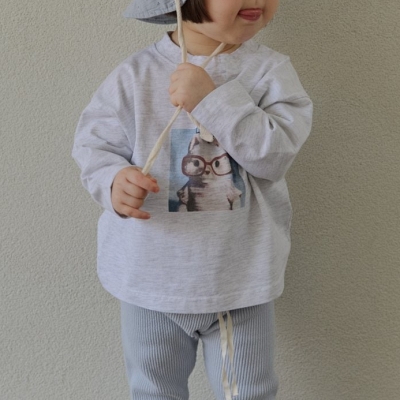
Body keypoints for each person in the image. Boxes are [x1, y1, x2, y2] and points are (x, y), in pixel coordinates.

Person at [72, 0, 313, 399]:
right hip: (149, 282)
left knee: (248, 392)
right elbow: (94, 146)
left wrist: (211, 101)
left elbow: (274, 156)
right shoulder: (134, 75)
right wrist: (114, 181)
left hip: (239, 284)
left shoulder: (269, 72)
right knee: (153, 391)